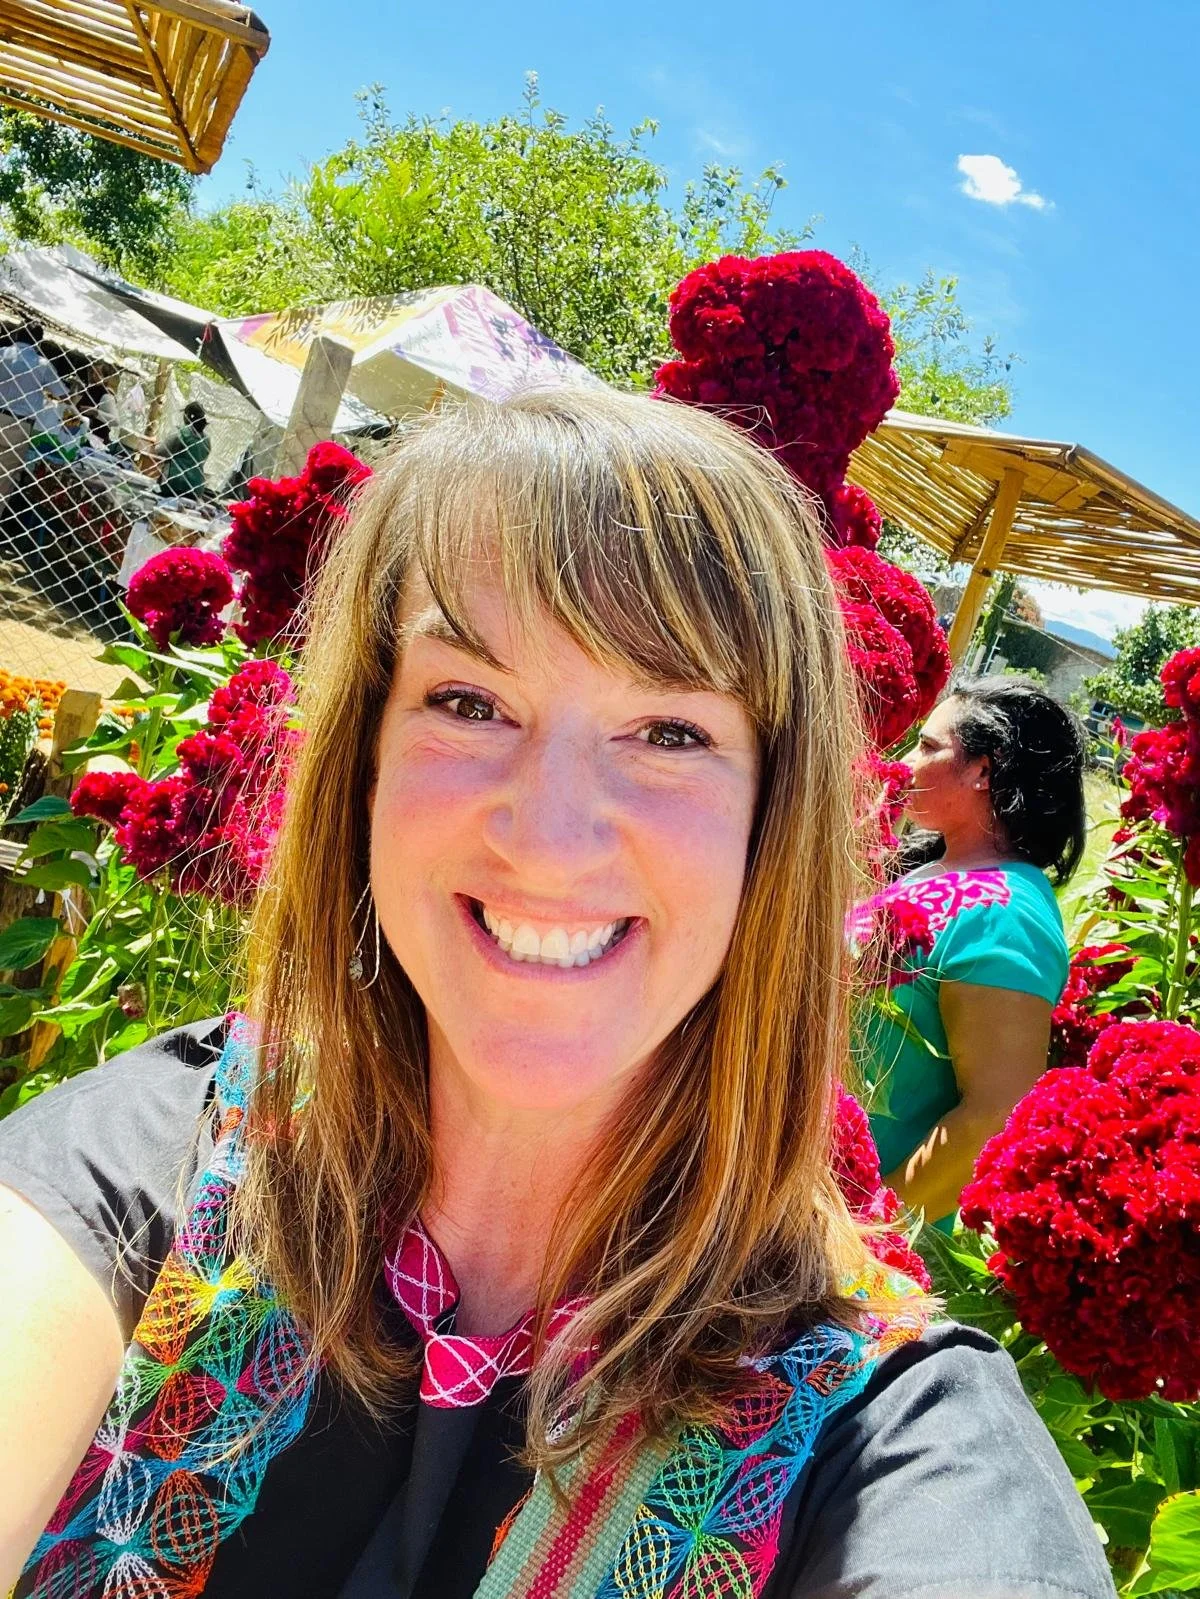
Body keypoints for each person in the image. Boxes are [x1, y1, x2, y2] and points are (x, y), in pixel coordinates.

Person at [0, 391, 1114, 1599]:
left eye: (670, 730)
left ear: (772, 823)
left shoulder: (887, 1433)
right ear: (362, 763)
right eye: (468, 703)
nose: (551, 835)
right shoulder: (154, 1166)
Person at [856, 676, 1087, 1228]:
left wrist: (867, 1232)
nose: (908, 761)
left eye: (929, 747)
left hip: (860, 1230)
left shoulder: (1005, 914)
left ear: (984, 769)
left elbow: (994, 1113)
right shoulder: (937, 867)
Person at [0, 322, 67, 512]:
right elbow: (63, 394)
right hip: (19, 426)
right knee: (4, 480)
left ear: (16, 336)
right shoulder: (42, 365)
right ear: (38, 342)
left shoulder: (2, 353)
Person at [156, 398, 211, 498]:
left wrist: (156, 446)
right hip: (196, 487)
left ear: (187, 416)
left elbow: (161, 451)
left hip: (175, 484)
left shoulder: (181, 433)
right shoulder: (206, 440)